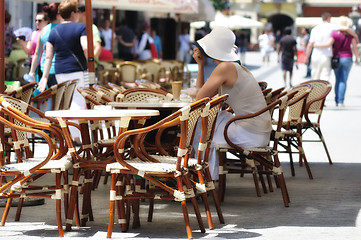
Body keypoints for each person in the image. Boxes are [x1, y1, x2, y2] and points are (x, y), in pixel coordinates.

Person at [192, 26, 272, 180]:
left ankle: (201, 175)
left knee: (199, 123)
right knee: (212, 120)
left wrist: (200, 64)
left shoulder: (224, 67)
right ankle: (202, 173)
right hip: (259, 132)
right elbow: (202, 95)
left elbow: (199, 98)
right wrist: (201, 65)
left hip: (250, 134)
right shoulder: (234, 67)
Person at [40, 0, 88, 144]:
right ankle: (76, 137)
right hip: (78, 69)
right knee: (78, 102)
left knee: (67, 101)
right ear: (73, 13)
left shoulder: (53, 31)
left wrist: (44, 77)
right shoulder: (81, 27)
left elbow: (48, 56)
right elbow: (85, 48)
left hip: (60, 70)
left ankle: (71, 134)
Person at [314, 16, 359, 107]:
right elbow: (355, 47)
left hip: (336, 59)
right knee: (343, 80)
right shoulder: (351, 35)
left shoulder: (335, 33)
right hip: (348, 58)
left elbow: (328, 44)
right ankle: (341, 101)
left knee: (337, 79)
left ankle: (336, 99)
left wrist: (316, 45)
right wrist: (357, 58)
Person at [304, 12, 358, 81]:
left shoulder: (315, 29)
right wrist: (355, 36)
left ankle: (316, 92)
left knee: (315, 78)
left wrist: (306, 57)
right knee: (325, 79)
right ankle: (323, 92)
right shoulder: (332, 27)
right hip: (327, 55)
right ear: (329, 18)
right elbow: (347, 29)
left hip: (316, 55)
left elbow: (310, 45)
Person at [29, 3, 61, 91]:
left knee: (46, 98)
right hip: (60, 68)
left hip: (45, 68)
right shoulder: (62, 29)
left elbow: (36, 53)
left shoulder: (43, 30)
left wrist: (32, 72)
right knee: (59, 100)